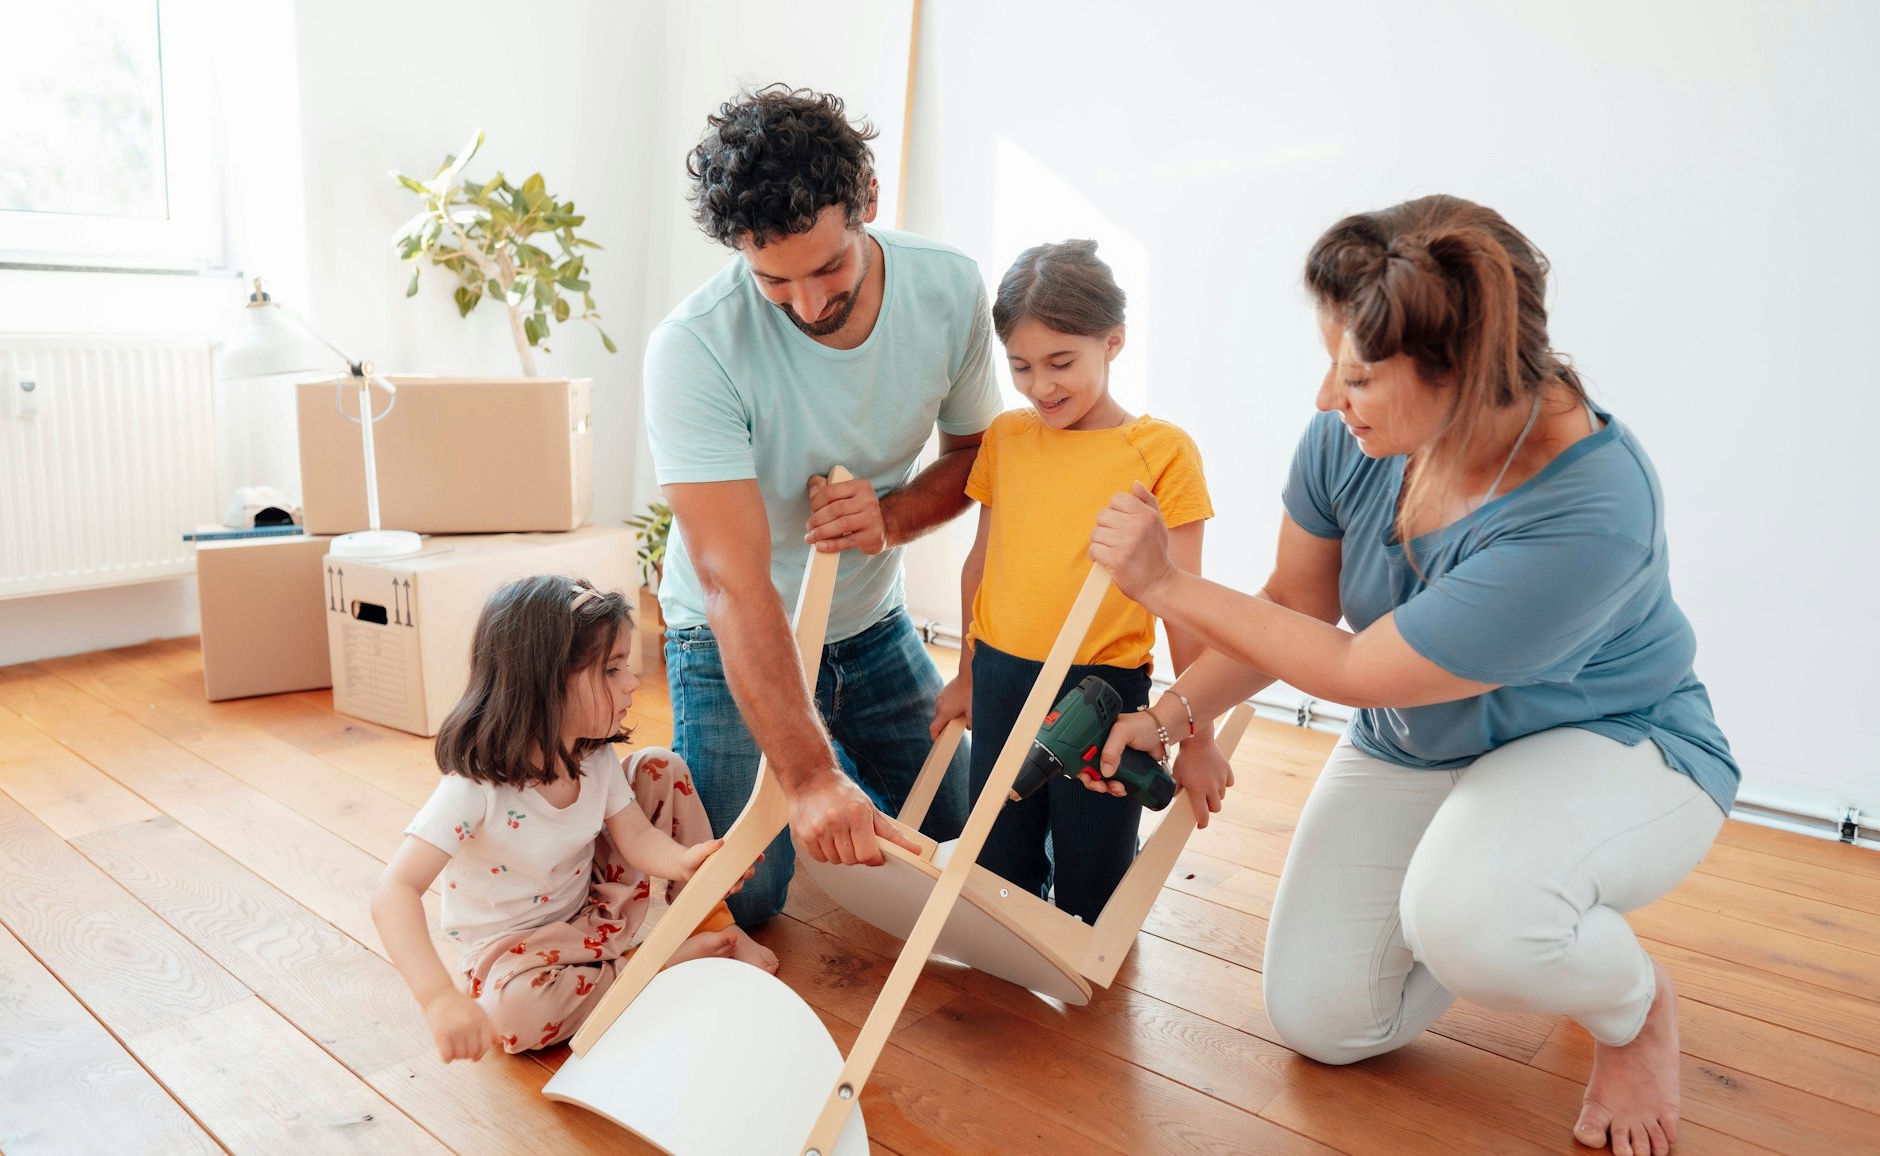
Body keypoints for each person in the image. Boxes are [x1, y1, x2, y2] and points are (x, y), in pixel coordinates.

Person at [1086, 195, 1736, 1156]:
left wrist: (1167, 583)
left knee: (1475, 916)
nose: (1323, 398)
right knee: (1323, 1018)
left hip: (1606, 737)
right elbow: (1300, 606)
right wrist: (1176, 712)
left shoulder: (1591, 508)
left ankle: (1630, 1006)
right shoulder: (1355, 437)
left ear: (1462, 375)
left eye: (1353, 375)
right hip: (1425, 738)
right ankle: (1525, 910)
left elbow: (1354, 668)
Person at [642, 85, 1005, 926]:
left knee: (976, 852)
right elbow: (734, 583)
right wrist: (805, 779)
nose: (808, 305)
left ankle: (821, 749)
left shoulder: (947, 288)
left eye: (828, 268)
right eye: (774, 280)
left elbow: (980, 455)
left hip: (870, 625)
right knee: (751, 897)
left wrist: (892, 517)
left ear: (867, 200)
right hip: (727, 630)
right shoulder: (694, 347)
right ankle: (655, 800)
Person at [929, 239, 1228, 923]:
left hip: (1103, 691)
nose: (1041, 386)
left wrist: (1199, 736)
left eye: (1062, 362)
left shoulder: (1163, 452)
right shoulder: (1007, 438)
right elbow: (981, 562)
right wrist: (968, 672)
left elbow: (1191, 608)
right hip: (1003, 676)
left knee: (1093, 894)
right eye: (1022, 366)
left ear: (1112, 342)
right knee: (995, 878)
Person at [371, 575, 772, 1063]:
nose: (632, 681)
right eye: (610, 669)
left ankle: (708, 925)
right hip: (516, 956)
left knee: (659, 767)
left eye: (625, 666)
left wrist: (689, 861)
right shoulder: (473, 789)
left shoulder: (594, 757)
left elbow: (638, 837)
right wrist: (438, 998)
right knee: (513, 1018)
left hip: (596, 913)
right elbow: (393, 891)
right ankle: (653, 967)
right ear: (541, 682)